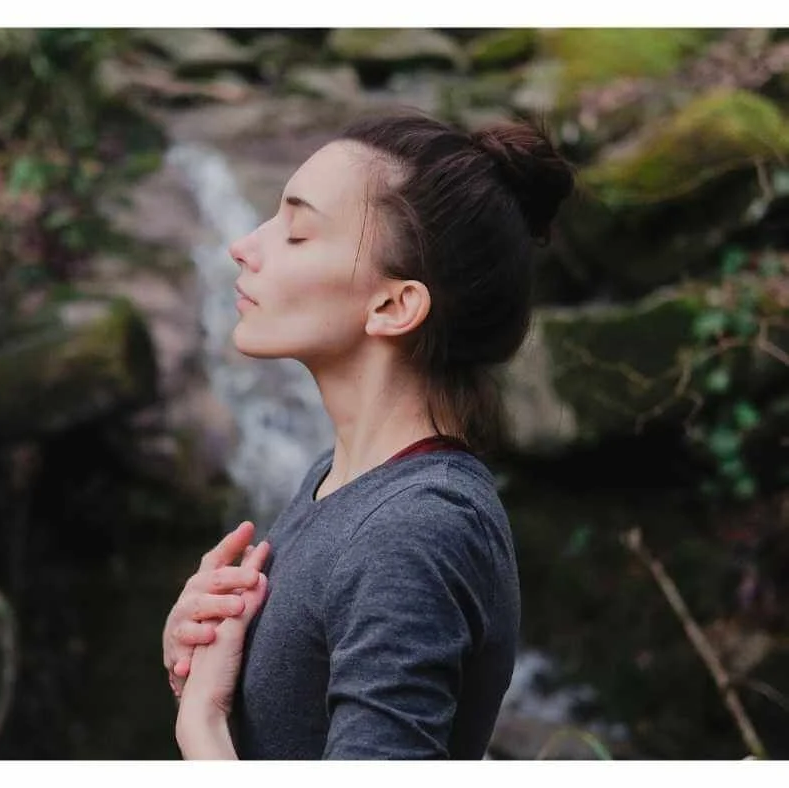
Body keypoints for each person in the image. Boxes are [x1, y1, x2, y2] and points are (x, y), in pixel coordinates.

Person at [161, 110, 575, 759]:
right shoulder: (340, 480)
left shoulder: (415, 530)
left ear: (393, 305)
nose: (244, 246)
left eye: (297, 232)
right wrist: (205, 663)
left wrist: (203, 729)